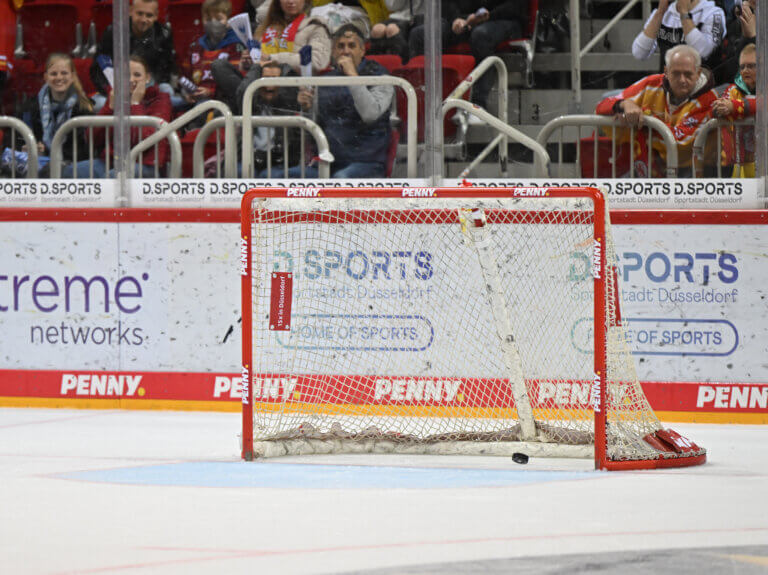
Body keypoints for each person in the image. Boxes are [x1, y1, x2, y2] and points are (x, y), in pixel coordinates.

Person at [278, 23, 393, 178]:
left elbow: (370, 114)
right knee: (285, 177)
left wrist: (353, 77)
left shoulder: (381, 77)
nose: (346, 51)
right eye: (341, 46)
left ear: (362, 50)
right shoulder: (324, 81)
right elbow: (314, 126)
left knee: (340, 180)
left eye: (352, 46)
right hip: (328, 161)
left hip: (366, 162)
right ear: (333, 52)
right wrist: (306, 108)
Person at [596, 44, 718, 176]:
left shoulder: (710, 99)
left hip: (694, 174)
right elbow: (602, 106)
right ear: (666, 71)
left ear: (698, 73)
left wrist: (643, 121)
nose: (682, 80)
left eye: (688, 74)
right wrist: (623, 104)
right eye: (676, 73)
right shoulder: (650, 84)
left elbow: (678, 144)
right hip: (650, 168)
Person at [212, 0, 331, 113]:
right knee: (219, 65)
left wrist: (271, 58)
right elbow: (257, 63)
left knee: (282, 68)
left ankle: (249, 111)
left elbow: (317, 62)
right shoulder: (264, 28)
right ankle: (253, 109)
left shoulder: (316, 27)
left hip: (292, 89)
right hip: (259, 86)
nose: (290, 1)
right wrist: (247, 62)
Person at [409, 1, 528, 109]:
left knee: (481, 35)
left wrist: (488, 16)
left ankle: (478, 105)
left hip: (503, 18)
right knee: (418, 35)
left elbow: (516, 6)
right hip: (468, 20)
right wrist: (456, 18)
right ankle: (420, 103)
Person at [72, 56, 171, 178]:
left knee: (111, 179)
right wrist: (110, 107)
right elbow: (92, 138)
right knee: (70, 172)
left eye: (137, 75)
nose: (131, 79)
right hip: (113, 162)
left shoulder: (161, 100)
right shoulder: (115, 97)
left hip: (145, 165)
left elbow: (143, 139)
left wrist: (135, 104)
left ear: (147, 78)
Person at [89, 0, 178, 110]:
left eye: (149, 15)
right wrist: (112, 90)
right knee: (98, 105)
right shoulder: (113, 32)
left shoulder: (163, 35)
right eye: (140, 13)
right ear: (131, 11)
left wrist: (145, 89)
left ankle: (160, 127)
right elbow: (97, 70)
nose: (144, 19)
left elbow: (165, 71)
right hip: (117, 88)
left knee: (167, 89)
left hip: (149, 87)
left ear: (156, 16)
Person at [21, 54, 94, 178]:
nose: (59, 78)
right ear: (46, 77)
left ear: (72, 77)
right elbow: (15, 138)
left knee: (50, 170)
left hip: (72, 164)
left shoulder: (84, 108)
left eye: (64, 73)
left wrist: (47, 153)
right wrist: (26, 148)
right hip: (36, 163)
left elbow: (83, 149)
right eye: (53, 74)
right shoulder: (31, 106)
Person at [632, 0, 726, 76]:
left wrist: (684, 13)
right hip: (669, 85)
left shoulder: (714, 13)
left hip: (704, 87)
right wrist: (660, 12)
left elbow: (704, 51)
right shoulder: (662, 13)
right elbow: (639, 53)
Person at [182, 0, 246, 106]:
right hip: (195, 98)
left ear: (228, 20)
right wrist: (186, 93)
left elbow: (236, 83)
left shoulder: (236, 45)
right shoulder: (196, 46)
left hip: (223, 101)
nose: (213, 23)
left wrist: (211, 92)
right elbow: (185, 75)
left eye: (219, 19)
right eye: (208, 19)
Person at [712, 43, 756, 176]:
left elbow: (762, 104)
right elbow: (717, 108)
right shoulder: (733, 90)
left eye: (751, 66)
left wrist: (734, 107)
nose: (745, 71)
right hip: (740, 164)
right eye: (742, 67)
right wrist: (721, 108)